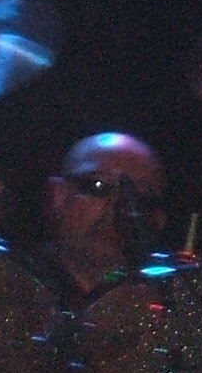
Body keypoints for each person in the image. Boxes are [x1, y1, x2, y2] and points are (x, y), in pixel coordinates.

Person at [33, 131, 171, 307]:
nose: (118, 207)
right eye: (98, 185)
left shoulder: (168, 304)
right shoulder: (16, 286)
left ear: (159, 218)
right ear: (58, 195)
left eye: (139, 196)